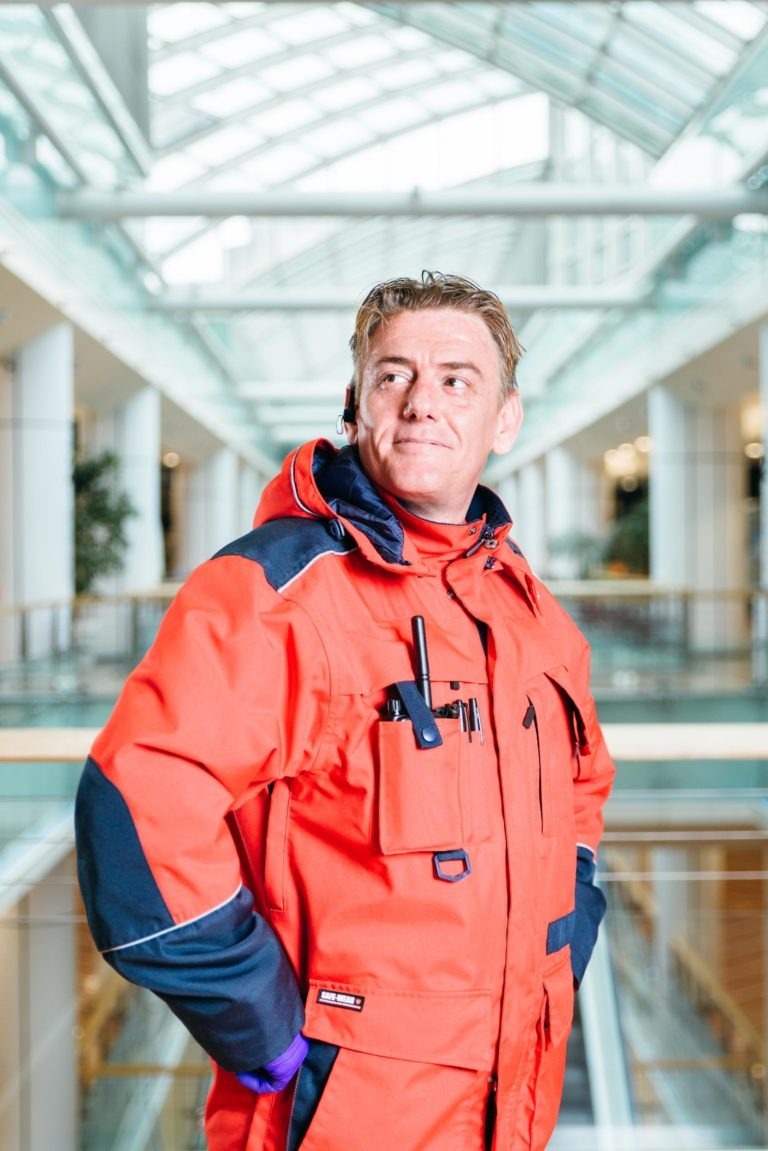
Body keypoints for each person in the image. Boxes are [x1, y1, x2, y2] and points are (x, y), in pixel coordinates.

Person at [75, 272, 615, 1151]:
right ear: (355, 404)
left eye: (456, 380)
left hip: (512, 1097)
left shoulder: (530, 614)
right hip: (343, 1110)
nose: (420, 404)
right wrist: (262, 1023)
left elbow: (584, 786)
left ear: (504, 418)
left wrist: (565, 938)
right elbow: (138, 799)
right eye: (392, 374)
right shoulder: (276, 596)